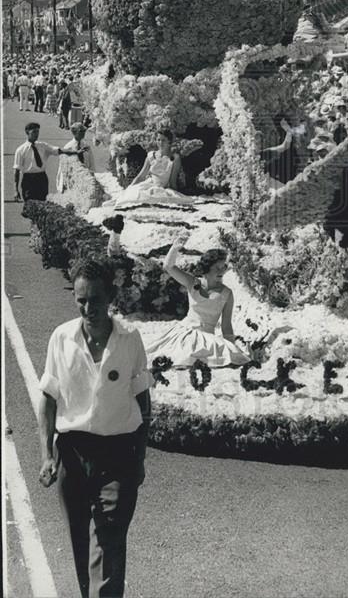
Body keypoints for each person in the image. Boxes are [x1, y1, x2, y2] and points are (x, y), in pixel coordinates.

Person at [38, 258, 152, 598]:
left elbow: (143, 402)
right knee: (80, 540)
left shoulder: (130, 339)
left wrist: (140, 457)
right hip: (73, 454)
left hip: (118, 455)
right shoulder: (61, 338)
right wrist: (46, 455)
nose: (88, 308)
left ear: (111, 296)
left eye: (96, 300)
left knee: (109, 539)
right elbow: (48, 399)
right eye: (81, 299)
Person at [140, 239, 248, 368]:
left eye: (223, 267)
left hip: (207, 338)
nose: (221, 271)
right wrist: (174, 248)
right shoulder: (193, 282)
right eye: (217, 268)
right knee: (172, 356)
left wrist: (231, 347)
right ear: (207, 268)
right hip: (184, 333)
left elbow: (226, 325)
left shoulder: (227, 294)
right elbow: (168, 267)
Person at [109, 129, 192, 209]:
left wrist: (175, 194)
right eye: (158, 140)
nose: (160, 143)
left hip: (161, 188)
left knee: (154, 198)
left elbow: (172, 180)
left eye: (163, 140)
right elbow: (141, 176)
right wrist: (128, 189)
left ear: (169, 142)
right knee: (135, 194)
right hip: (148, 185)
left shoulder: (174, 158)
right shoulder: (151, 155)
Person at [13, 121, 82, 202]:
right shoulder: (20, 150)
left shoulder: (43, 146)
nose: (36, 134)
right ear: (27, 132)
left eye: (38, 132)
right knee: (30, 206)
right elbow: (16, 171)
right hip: (29, 181)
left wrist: (75, 152)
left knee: (43, 205)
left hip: (41, 179)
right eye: (34, 132)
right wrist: (15, 190)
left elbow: (59, 150)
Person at [58, 122, 96, 191]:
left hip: (86, 178)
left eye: (84, 131)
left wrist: (92, 174)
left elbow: (91, 161)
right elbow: (62, 168)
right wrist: (62, 185)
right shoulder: (68, 147)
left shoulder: (86, 145)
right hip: (73, 179)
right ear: (74, 132)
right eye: (81, 131)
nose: (84, 133)